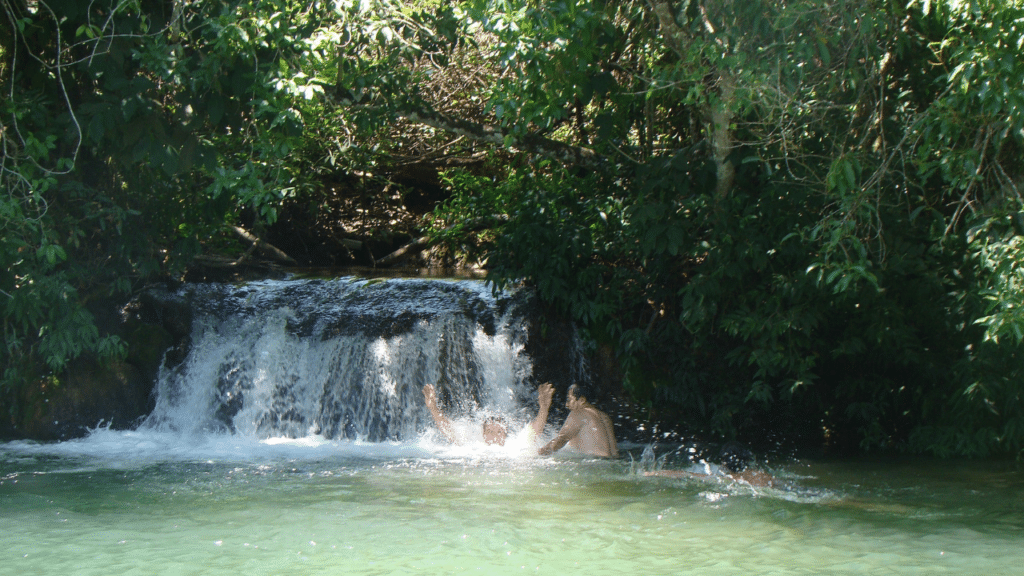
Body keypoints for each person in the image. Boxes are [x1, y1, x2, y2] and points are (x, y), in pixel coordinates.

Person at [421, 382, 553, 446]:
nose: (494, 437)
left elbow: (534, 431)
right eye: (490, 432)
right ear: (483, 434)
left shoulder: (514, 448)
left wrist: (544, 408)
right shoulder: (474, 447)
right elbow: (448, 430)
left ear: (506, 435)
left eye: (499, 432)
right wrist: (433, 408)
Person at [643, 441, 775, 487]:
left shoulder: (726, 479)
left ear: (723, 462)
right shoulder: (764, 476)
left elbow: (686, 474)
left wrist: (653, 473)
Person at [537, 383, 618, 458]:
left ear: (582, 400)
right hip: (612, 463)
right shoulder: (605, 417)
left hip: (594, 465)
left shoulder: (579, 413)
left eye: (569, 399)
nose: (566, 404)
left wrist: (540, 454)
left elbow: (560, 440)